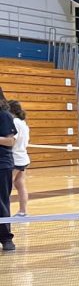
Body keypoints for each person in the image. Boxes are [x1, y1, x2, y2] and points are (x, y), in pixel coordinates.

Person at [0, 86, 15, 252]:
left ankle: (6, 238)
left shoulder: (4, 116)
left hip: (1, 165)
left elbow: (10, 141)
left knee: (1, 203)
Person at [9, 100, 29, 217]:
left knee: (6, 184)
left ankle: (4, 212)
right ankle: (23, 211)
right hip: (23, 157)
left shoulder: (15, 122)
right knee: (20, 184)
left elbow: (12, 140)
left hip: (15, 158)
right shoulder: (23, 123)